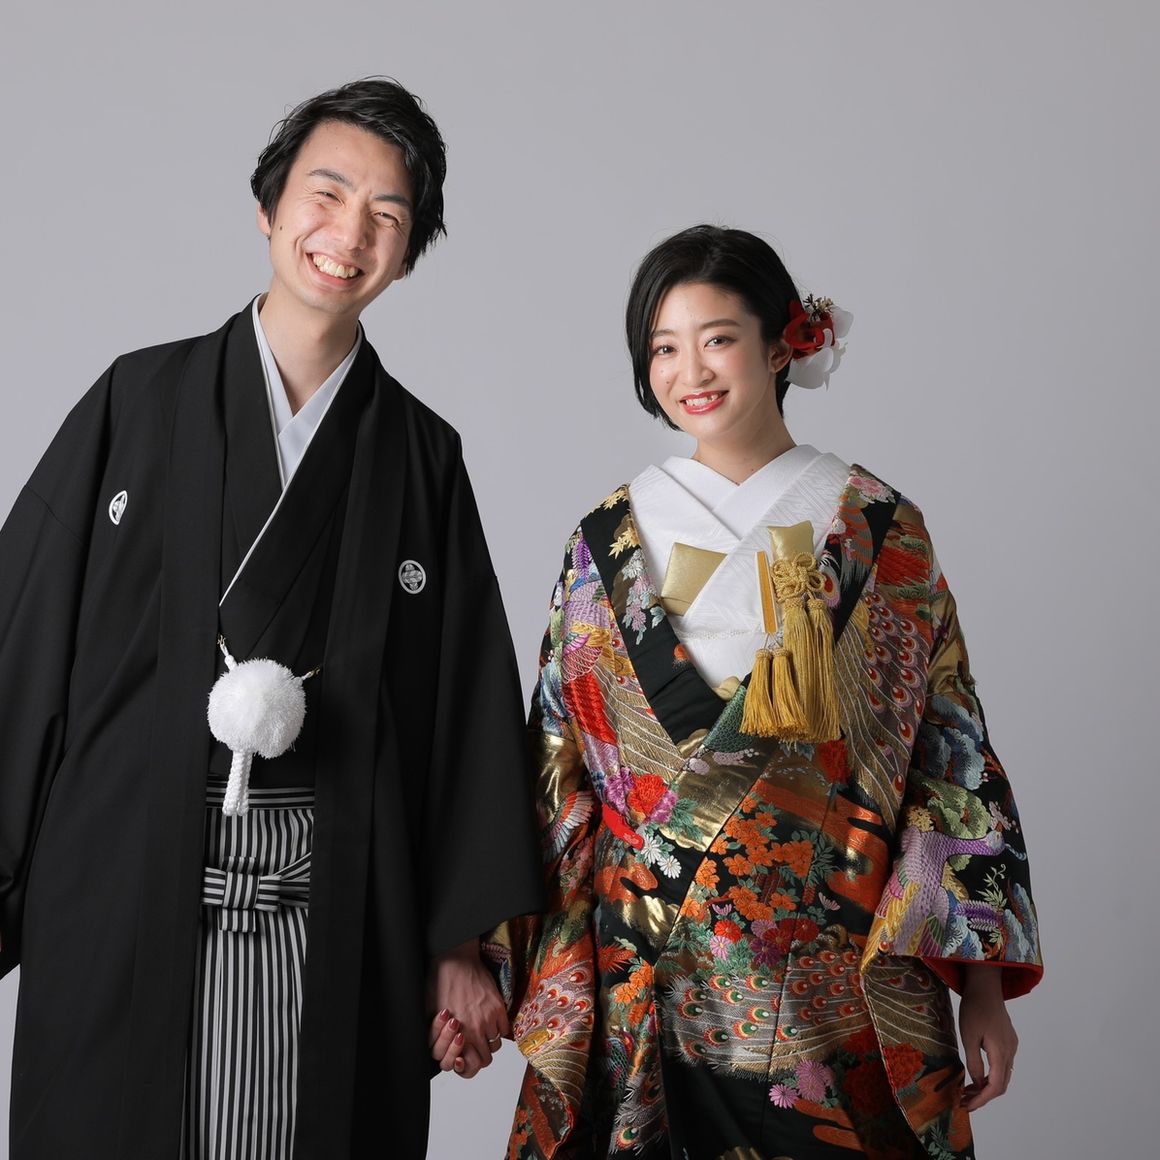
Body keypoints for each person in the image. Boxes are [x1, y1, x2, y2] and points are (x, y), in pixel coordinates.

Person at [0, 78, 540, 1159]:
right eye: (325, 194)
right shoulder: (134, 401)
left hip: (333, 900)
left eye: (386, 214)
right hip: (122, 880)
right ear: (268, 205)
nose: (349, 233)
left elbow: (466, 710)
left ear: (408, 252)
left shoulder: (421, 456)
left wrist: (459, 939)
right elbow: (20, 637)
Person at [485, 225, 1042, 1158]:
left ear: (783, 345)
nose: (689, 371)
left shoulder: (879, 531)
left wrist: (982, 988)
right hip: (644, 984)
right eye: (663, 348)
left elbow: (951, 760)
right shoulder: (605, 544)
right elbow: (553, 768)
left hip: (837, 990)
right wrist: (491, 966)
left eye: (717, 339)